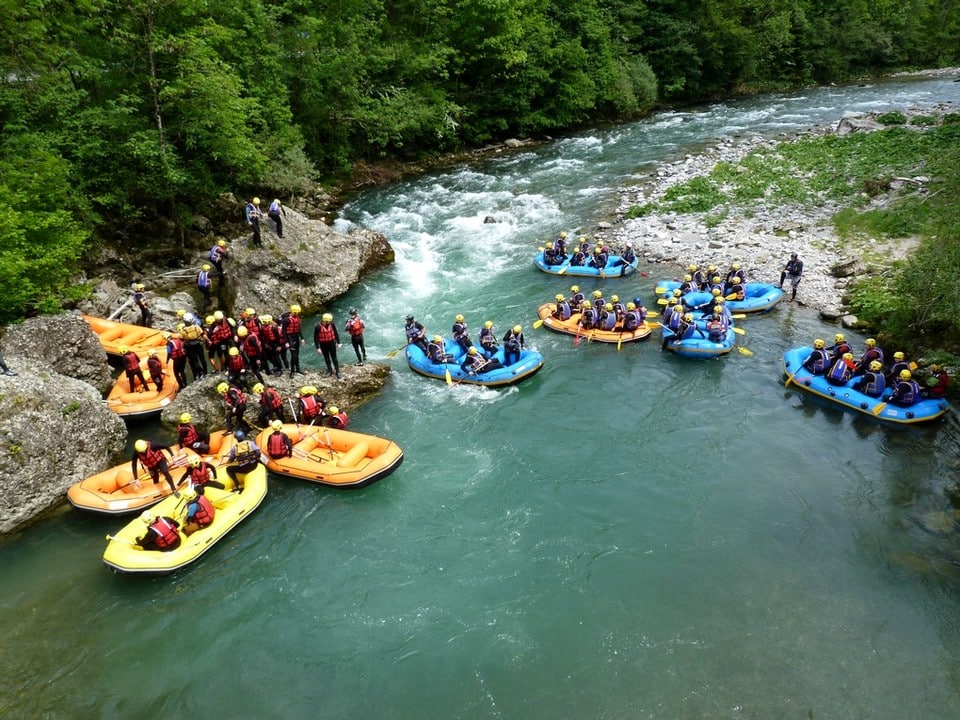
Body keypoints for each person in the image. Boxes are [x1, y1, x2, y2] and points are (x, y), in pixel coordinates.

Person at [314, 312, 342, 379]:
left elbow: (336, 333)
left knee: (334, 358)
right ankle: (330, 370)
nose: (330, 322)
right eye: (329, 321)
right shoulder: (318, 327)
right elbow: (315, 338)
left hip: (332, 343)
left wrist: (338, 343)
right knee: (326, 358)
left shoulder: (332, 324)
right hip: (323, 344)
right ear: (325, 321)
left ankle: (338, 371)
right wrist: (318, 348)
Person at [282, 304, 304, 376]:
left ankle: (298, 368)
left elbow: (299, 328)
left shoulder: (297, 318)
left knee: (297, 354)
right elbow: (283, 331)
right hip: (290, 338)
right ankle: (292, 371)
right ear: (292, 312)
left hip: (296, 337)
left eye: (297, 312)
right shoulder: (286, 320)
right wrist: (286, 342)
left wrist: (302, 338)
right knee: (294, 355)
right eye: (296, 312)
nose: (297, 314)